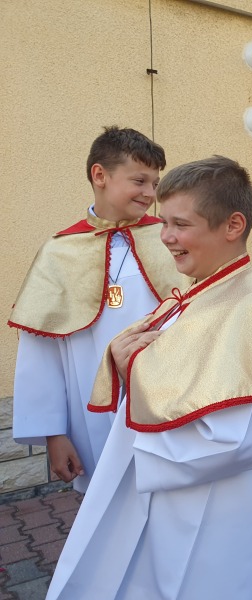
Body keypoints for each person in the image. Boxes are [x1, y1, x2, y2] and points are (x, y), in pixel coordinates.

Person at [45, 156, 252, 600]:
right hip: (174, 509)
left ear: (233, 225)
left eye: (180, 224)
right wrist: (130, 372)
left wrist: (135, 414)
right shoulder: (196, 298)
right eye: (163, 222)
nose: (165, 236)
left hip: (215, 524)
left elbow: (240, 443)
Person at [9, 126, 185, 493]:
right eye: (139, 181)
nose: (151, 193)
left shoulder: (171, 240)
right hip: (92, 412)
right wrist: (54, 434)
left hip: (168, 404)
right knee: (106, 504)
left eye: (155, 183)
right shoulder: (59, 253)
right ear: (100, 175)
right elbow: (41, 352)